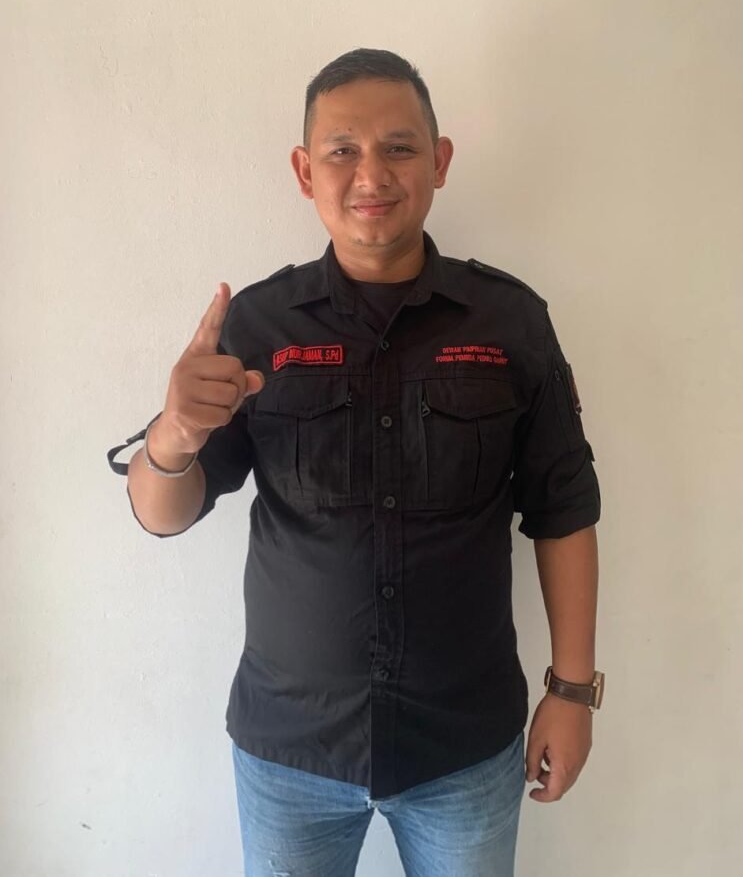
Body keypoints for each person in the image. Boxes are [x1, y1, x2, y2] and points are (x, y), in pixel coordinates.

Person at [107, 47, 604, 877]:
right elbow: (163, 513)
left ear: (439, 161)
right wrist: (173, 437)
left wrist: (574, 689)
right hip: (289, 752)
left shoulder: (510, 321)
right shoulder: (259, 324)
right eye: (342, 150)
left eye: (399, 147)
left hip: (463, 747)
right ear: (306, 172)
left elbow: (564, 509)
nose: (371, 173)